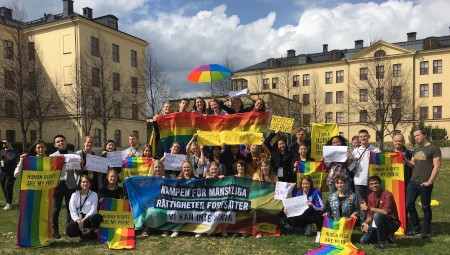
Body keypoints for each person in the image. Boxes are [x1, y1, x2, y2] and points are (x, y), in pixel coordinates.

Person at [404, 128, 441, 239]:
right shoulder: (416, 150)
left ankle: (426, 230)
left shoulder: (434, 149)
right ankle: (416, 229)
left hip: (425, 183)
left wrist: (429, 182)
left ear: (424, 135)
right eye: (414, 136)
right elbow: (412, 164)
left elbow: (437, 167)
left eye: (418, 135)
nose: (416, 138)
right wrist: (404, 158)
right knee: (409, 205)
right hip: (413, 181)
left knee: (425, 207)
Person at [50, 134, 82, 239]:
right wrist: (60, 163)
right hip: (57, 185)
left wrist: (80, 164)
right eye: (58, 142)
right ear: (55, 144)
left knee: (71, 208)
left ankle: (70, 229)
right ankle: (55, 231)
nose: (60, 143)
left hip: (70, 184)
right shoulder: (52, 156)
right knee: (56, 209)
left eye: (62, 141)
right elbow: (50, 172)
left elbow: (78, 171)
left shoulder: (74, 155)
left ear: (66, 142)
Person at [360, 175, 400, 250]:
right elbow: (371, 214)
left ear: (380, 184)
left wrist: (367, 208)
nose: (374, 185)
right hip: (377, 223)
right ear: (369, 186)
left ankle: (382, 242)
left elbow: (385, 212)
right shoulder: (370, 196)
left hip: (392, 223)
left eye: (376, 183)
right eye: (371, 184)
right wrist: (365, 223)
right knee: (363, 241)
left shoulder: (388, 194)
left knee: (377, 215)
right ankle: (387, 237)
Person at [349, 129, 380, 221]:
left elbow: (381, 164)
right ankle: (363, 222)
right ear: (359, 138)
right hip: (359, 180)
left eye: (365, 136)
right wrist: (347, 158)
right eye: (361, 137)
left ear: (369, 137)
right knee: (361, 203)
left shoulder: (376, 150)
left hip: (372, 181)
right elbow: (350, 166)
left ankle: (374, 221)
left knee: (373, 202)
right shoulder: (355, 151)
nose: (363, 138)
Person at [284, 175, 324, 243]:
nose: (305, 185)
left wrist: (312, 205)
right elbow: (295, 206)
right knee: (291, 220)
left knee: (319, 214)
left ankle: (318, 233)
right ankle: (307, 226)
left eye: (307, 183)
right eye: (303, 184)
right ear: (301, 184)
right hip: (303, 214)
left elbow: (321, 207)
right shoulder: (299, 193)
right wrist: (287, 210)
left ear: (310, 184)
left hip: (313, 214)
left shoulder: (316, 192)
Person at [169, 161, 196, 238]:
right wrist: (176, 182)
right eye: (184, 167)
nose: (186, 169)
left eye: (188, 167)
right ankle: (176, 230)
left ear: (191, 168)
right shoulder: (177, 179)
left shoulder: (196, 179)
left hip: (193, 202)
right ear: (182, 169)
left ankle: (197, 230)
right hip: (180, 202)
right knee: (176, 210)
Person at [1, 138, 19, 211]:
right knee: (4, 188)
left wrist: (4, 154)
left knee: (8, 187)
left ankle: (9, 203)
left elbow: (12, 159)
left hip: (11, 173)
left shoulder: (14, 151)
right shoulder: (2, 151)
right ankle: (8, 202)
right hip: (2, 172)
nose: (3, 144)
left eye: (5, 143)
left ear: (10, 143)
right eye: (3, 143)